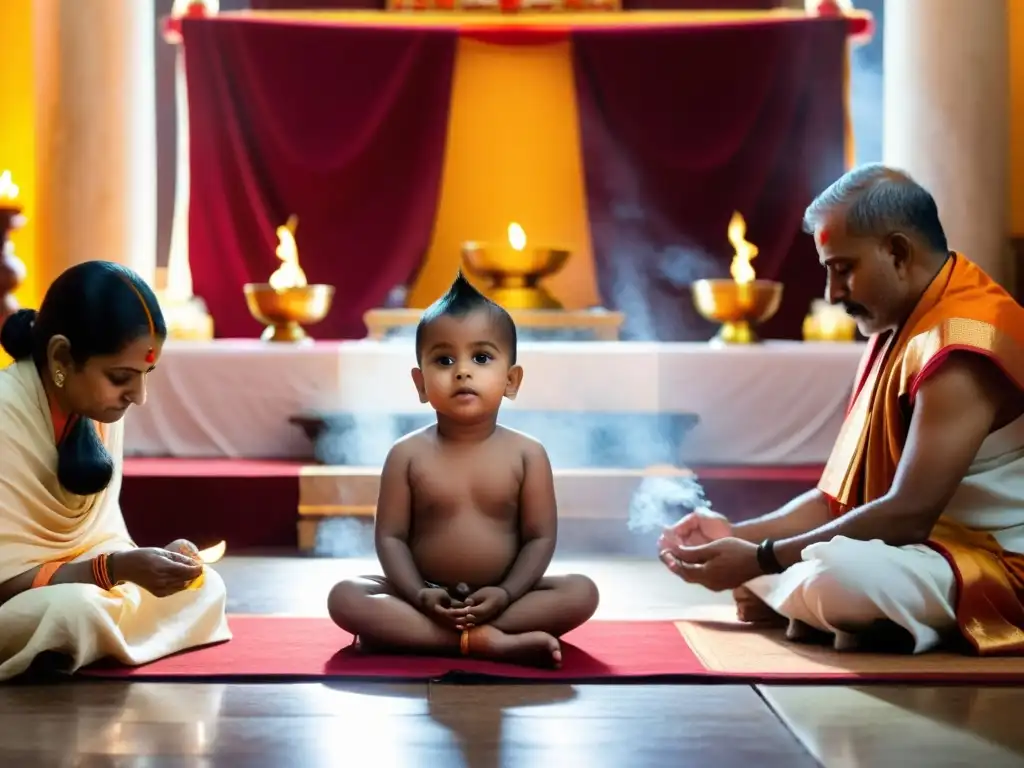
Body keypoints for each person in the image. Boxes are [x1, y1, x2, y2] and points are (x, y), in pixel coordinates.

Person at [659, 164, 1024, 655]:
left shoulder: (963, 338)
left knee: (841, 578)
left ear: (897, 252)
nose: (833, 294)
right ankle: (809, 598)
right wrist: (737, 537)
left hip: (1000, 564)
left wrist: (760, 561)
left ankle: (804, 598)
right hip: (923, 553)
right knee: (826, 570)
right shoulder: (900, 329)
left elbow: (907, 515)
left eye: (842, 269)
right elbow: (837, 501)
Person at [327, 273, 599, 667]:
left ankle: (416, 637)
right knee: (345, 596)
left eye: (482, 357)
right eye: (444, 359)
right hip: (424, 596)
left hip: (503, 596)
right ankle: (484, 643)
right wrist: (419, 593)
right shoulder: (406, 454)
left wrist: (506, 593)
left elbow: (539, 539)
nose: (462, 371)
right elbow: (391, 538)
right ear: (420, 384)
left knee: (581, 591)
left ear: (511, 380)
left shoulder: (528, 454)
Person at [0, 261, 231, 681]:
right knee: (75, 613)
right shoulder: (4, 417)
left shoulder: (102, 413)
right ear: (61, 357)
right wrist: (115, 569)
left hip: (80, 586)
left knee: (205, 587)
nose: (139, 396)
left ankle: (75, 648)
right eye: (121, 376)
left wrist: (157, 562)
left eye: (146, 375)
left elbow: (101, 538)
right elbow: (4, 580)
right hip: (21, 600)